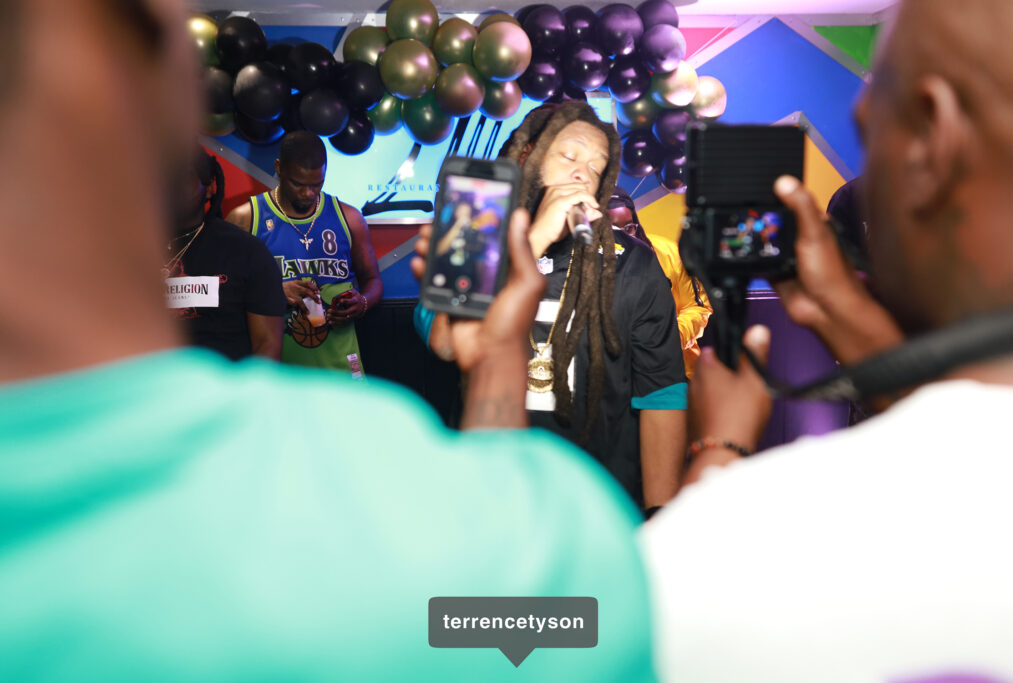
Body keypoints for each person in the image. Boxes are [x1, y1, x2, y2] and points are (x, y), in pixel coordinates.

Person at [0, 1, 658, 680]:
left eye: (593, 162)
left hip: (341, 367)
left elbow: (376, 290)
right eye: (568, 154)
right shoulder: (398, 489)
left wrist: (362, 301)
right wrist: (498, 359)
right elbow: (538, 619)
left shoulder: (350, 228)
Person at [644, 1, 1013, 680]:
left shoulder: (779, 542)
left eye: (871, 132)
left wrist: (719, 449)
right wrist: (858, 326)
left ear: (932, 137)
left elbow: (562, 632)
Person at [416, 102, 688, 515]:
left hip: (598, 502)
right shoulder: (470, 234)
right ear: (528, 155)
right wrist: (536, 237)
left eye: (596, 167)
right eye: (569, 155)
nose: (583, 173)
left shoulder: (634, 263)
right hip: (489, 498)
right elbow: (446, 343)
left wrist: (659, 518)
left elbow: (660, 395)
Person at [226, 131, 382, 377]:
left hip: (341, 371)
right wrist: (273, 293)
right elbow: (226, 295)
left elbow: (373, 280)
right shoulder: (246, 219)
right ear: (279, 168)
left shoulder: (349, 218)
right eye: (298, 184)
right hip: (278, 375)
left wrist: (361, 303)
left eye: (316, 184)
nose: (308, 193)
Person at [166, 147, 286, 360]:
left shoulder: (246, 251)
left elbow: (267, 345)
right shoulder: (133, 251)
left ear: (209, 188)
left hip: (225, 378)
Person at [607, 187, 711, 379]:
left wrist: (670, 338)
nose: (622, 238)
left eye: (628, 228)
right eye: (611, 231)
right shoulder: (582, 261)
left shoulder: (669, 253)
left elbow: (697, 308)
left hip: (673, 374)